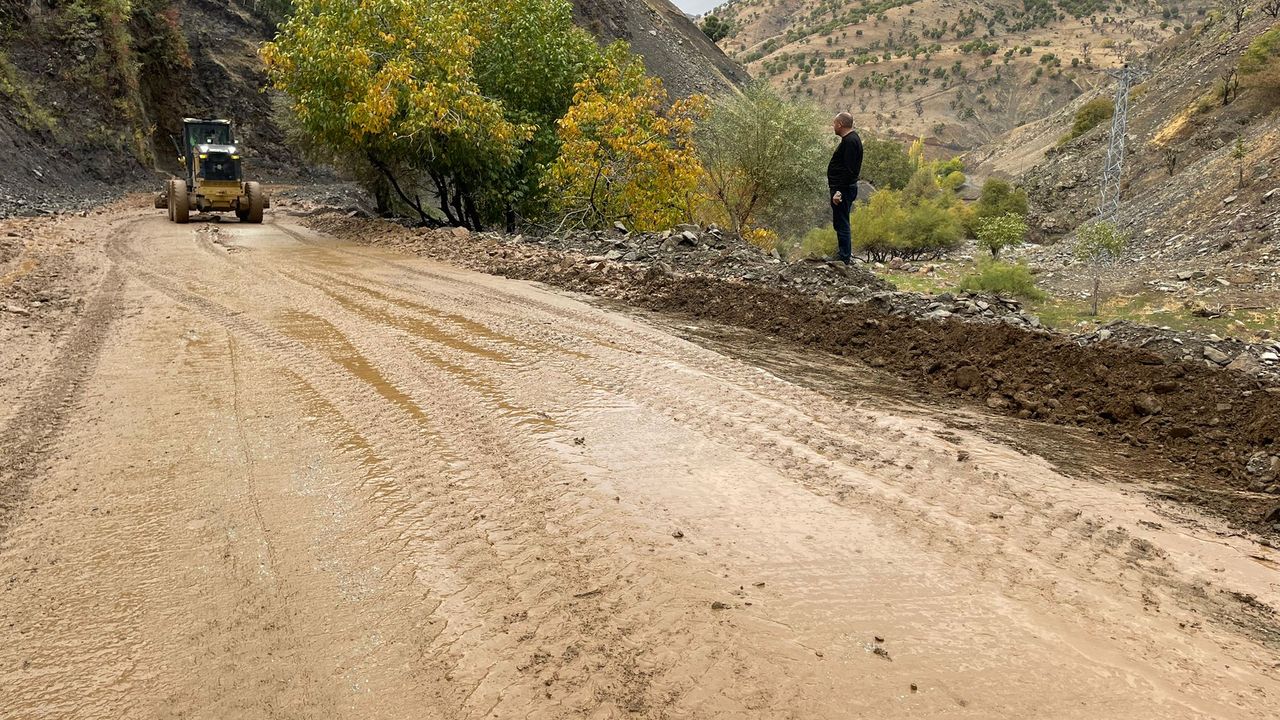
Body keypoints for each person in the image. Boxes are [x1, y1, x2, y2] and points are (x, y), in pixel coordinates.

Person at [826, 112, 863, 264]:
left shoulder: (850, 142)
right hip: (843, 188)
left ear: (840, 124)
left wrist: (838, 192)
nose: (833, 126)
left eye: (834, 123)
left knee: (842, 223)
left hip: (843, 190)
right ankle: (843, 255)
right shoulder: (850, 140)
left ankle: (844, 258)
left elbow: (849, 170)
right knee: (840, 222)